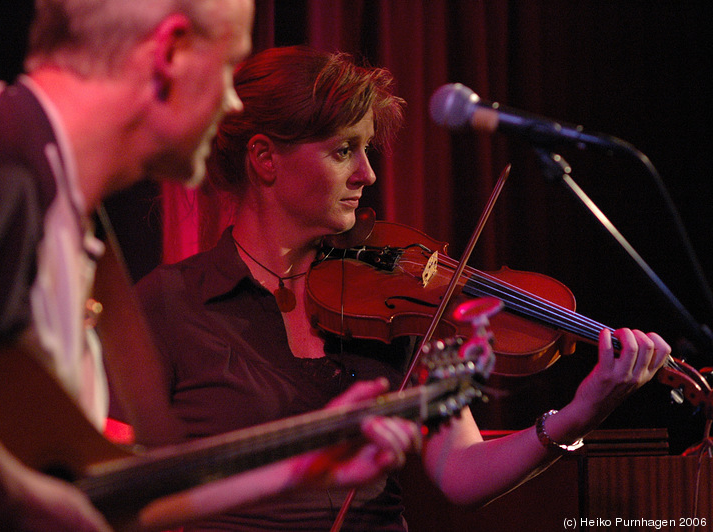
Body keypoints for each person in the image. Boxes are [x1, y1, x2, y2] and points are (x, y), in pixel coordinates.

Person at [0, 3, 420, 530]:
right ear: (170, 53)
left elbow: (122, 495)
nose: (230, 103)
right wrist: (14, 496)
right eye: (228, 69)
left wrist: (305, 468)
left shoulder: (75, 223)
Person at [135, 45, 672, 530]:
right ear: (265, 159)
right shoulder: (171, 303)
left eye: (366, 149)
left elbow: (459, 472)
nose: (368, 174)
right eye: (343, 150)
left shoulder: (390, 295)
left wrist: (579, 413)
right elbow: (128, 491)